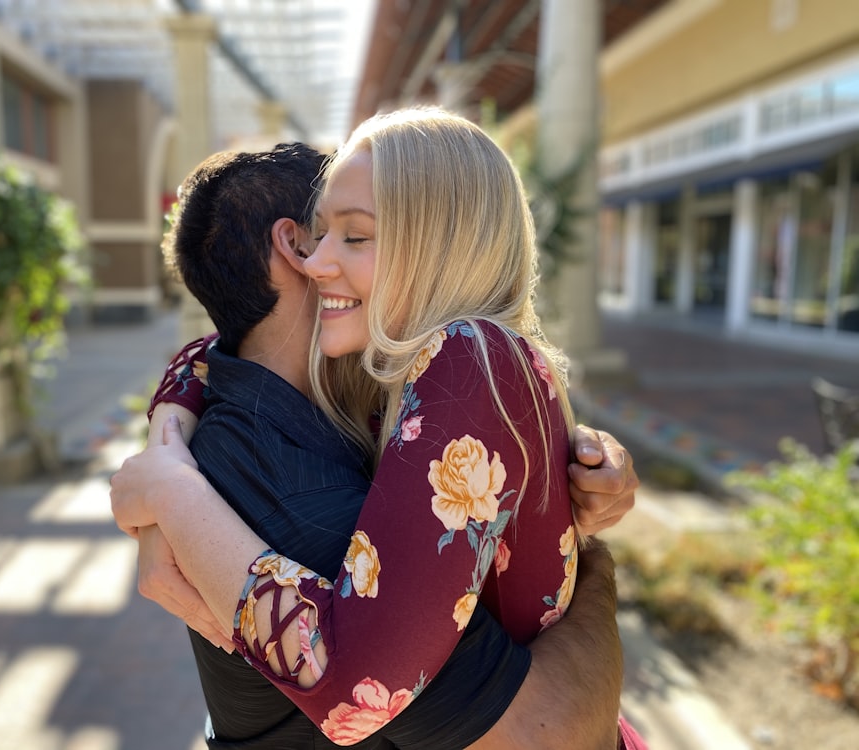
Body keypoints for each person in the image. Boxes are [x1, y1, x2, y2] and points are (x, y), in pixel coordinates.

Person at [115, 129, 643, 748]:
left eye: (355, 235)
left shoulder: (455, 363)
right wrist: (170, 450)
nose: (317, 260)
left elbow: (354, 693)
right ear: (287, 245)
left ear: (438, 245)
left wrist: (172, 488)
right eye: (319, 234)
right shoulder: (346, 418)